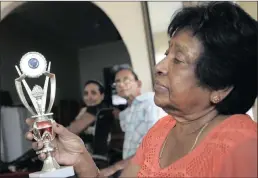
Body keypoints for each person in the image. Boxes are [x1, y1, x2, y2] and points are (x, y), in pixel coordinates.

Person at [26, 2, 257, 178]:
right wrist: (80, 158)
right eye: (167, 54)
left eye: (179, 59)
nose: (159, 67)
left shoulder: (244, 144)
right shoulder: (161, 131)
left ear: (220, 87)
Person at [99, 66, 166, 177]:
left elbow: (154, 146)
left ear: (138, 84)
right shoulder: (130, 110)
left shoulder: (151, 103)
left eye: (126, 80)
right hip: (133, 168)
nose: (121, 84)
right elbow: (121, 117)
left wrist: (114, 168)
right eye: (117, 82)